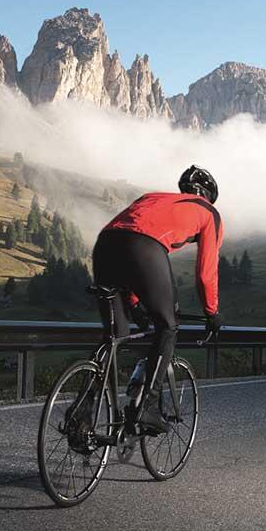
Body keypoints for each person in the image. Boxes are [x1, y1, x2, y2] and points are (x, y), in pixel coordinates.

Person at [92, 165, 223, 433]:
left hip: (105, 244)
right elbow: (206, 272)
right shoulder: (208, 212)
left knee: (115, 335)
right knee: (168, 326)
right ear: (209, 196)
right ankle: (147, 410)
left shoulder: (152, 198)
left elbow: (127, 245)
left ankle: (81, 415)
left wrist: (133, 302)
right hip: (145, 248)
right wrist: (212, 312)